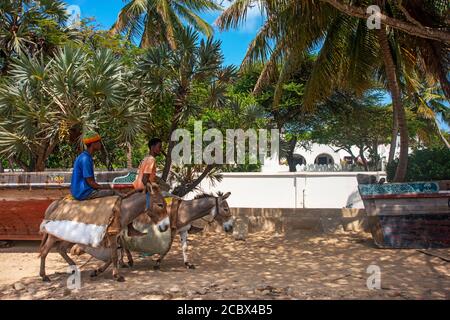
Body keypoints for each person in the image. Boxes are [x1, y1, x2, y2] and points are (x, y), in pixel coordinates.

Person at [70, 131, 143, 236]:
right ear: (93, 143)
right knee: (116, 195)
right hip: (84, 192)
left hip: (81, 190)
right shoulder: (86, 159)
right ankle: (127, 228)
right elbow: (91, 182)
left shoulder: (83, 156)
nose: (100, 144)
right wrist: (107, 187)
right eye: (99, 142)